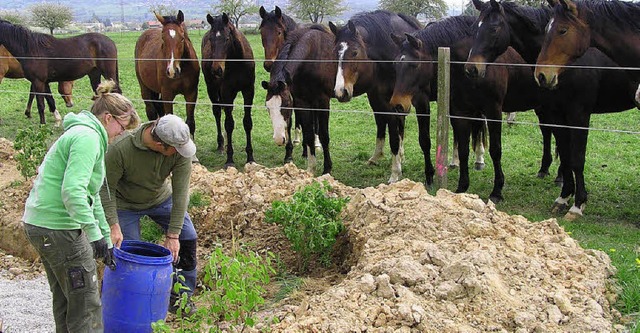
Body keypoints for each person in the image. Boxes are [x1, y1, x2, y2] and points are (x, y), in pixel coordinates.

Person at [22, 80, 140, 333]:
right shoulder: (88, 138)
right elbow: (73, 191)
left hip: (42, 223)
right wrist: (93, 235)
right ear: (108, 118)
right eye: (122, 127)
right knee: (86, 301)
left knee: (68, 299)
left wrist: (105, 236)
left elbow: (92, 192)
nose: (121, 134)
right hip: (58, 226)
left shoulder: (86, 134)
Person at [99, 114, 198, 313]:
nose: (180, 152)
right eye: (175, 149)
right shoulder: (120, 149)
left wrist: (173, 234)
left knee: (188, 237)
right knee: (129, 252)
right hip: (124, 204)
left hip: (160, 199)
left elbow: (181, 193)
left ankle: (180, 297)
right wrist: (113, 224)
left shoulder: (179, 151)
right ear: (161, 144)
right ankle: (124, 299)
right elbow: (105, 188)